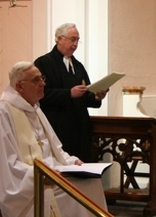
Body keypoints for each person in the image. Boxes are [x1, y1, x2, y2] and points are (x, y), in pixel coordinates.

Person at [0, 61, 116, 217]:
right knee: (72, 194)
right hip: (25, 183)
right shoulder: (1, 113)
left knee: (90, 183)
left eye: (42, 79)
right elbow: (6, 163)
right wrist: (42, 174)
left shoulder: (35, 109)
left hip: (52, 172)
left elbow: (54, 147)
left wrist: (71, 161)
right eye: (37, 80)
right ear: (19, 86)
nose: (43, 84)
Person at [34, 23, 108, 161]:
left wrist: (96, 97)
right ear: (59, 39)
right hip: (57, 126)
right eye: (72, 39)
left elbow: (86, 94)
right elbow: (41, 94)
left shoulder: (78, 66)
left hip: (80, 128)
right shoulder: (43, 63)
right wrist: (69, 94)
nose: (75, 44)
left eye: (77, 40)